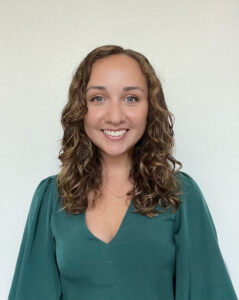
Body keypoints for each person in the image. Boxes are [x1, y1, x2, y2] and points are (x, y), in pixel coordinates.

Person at [8, 45, 238, 300]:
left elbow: (209, 292)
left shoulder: (179, 195)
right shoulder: (51, 198)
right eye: (98, 98)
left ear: (150, 108)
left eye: (131, 98)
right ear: (80, 108)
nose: (115, 116)